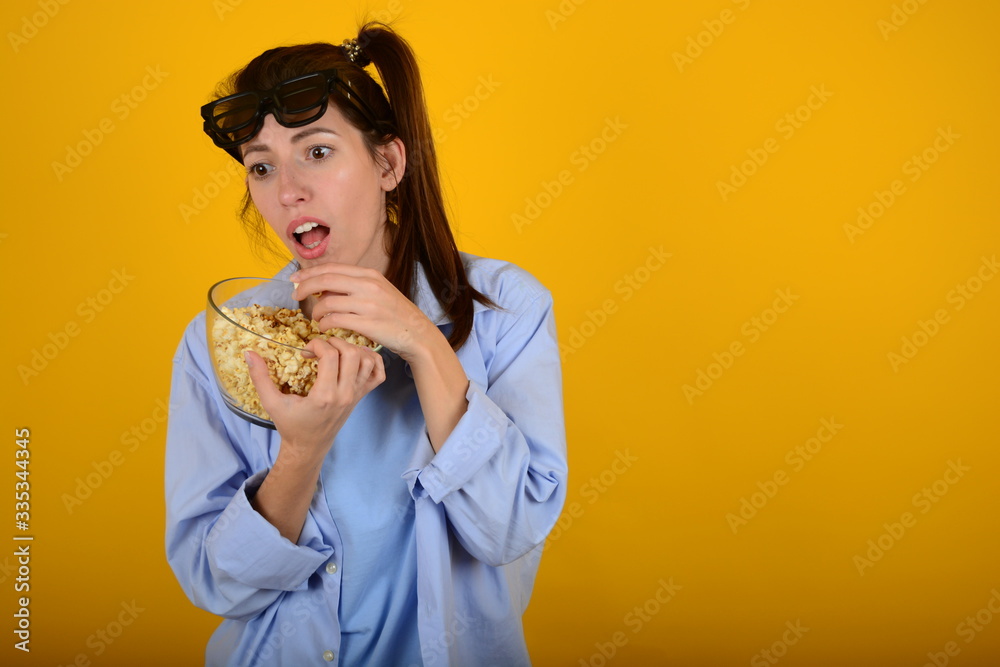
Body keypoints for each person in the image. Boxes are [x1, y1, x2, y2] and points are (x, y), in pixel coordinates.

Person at [164, 21, 567, 667]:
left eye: (317, 151)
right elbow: (217, 582)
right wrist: (302, 449)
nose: (288, 189)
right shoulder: (224, 338)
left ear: (388, 162)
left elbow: (509, 530)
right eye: (261, 166)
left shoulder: (506, 308)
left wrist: (419, 339)